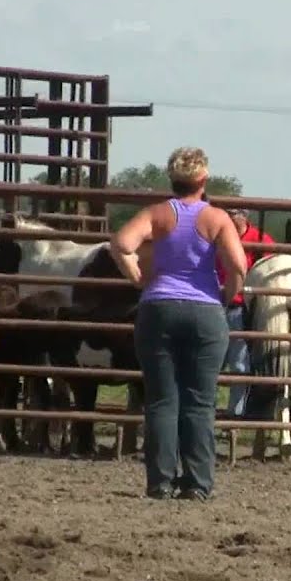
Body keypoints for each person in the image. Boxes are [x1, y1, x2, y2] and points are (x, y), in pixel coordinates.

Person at [109, 146, 247, 501]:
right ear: (203, 179)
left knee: (161, 400)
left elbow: (121, 243)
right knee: (200, 402)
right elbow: (238, 265)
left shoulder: (156, 214)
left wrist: (136, 274)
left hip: (158, 308)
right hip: (204, 313)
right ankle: (198, 483)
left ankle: (160, 482)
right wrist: (228, 295)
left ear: (172, 179)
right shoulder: (216, 218)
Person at [216, 206, 275, 419]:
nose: (228, 218)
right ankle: (205, 412)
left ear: (243, 216)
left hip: (241, 308)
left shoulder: (261, 239)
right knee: (211, 361)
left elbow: (271, 270)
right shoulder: (217, 235)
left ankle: (235, 413)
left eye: (231, 214)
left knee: (239, 364)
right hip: (216, 303)